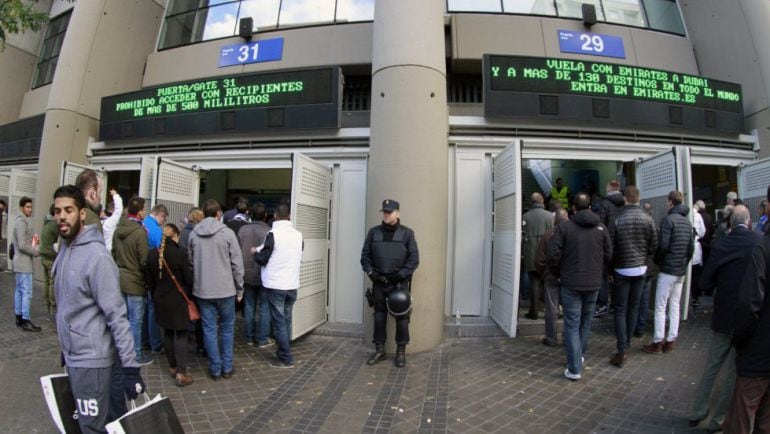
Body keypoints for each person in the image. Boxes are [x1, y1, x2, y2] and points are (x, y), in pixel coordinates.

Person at [53, 185, 145, 433]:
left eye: (69, 210)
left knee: (92, 428)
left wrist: (130, 368)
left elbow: (117, 316)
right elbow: (69, 307)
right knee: (98, 423)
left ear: (82, 214)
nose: (62, 216)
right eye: (58, 210)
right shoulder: (64, 250)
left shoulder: (97, 257)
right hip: (75, 357)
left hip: (92, 362)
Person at [689, 205, 761, 432]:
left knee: (712, 365)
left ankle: (697, 410)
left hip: (723, 316)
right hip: (746, 318)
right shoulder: (758, 241)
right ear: (749, 221)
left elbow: (705, 283)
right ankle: (718, 419)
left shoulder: (722, 244)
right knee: (733, 371)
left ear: (730, 223)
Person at [546, 193, 612, 381]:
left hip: (570, 283)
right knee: (585, 321)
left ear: (573, 208)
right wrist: (599, 271)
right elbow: (609, 254)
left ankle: (574, 367)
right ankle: (579, 356)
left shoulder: (565, 228)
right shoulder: (601, 228)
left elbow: (552, 254)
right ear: (589, 207)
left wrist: (559, 274)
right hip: (593, 283)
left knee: (572, 324)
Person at [722, 187, 770, 433]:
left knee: (742, 418)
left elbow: (750, 303)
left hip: (759, 353)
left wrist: (740, 339)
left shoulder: (763, 246)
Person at [189, 199, 244, 380]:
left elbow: (191, 262)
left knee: (209, 329)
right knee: (227, 328)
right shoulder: (227, 234)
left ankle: (215, 368)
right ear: (219, 213)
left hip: (203, 290)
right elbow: (237, 264)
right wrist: (240, 288)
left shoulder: (194, 234)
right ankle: (227, 367)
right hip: (226, 290)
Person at [360, 199, 419, 368]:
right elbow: (365, 257)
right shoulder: (373, 233)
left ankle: (401, 353)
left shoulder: (407, 234)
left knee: (402, 318)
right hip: (379, 282)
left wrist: (400, 275)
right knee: (379, 317)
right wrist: (373, 274)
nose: (387, 215)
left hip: (398, 284)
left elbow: (414, 260)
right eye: (385, 212)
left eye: (390, 212)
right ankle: (380, 350)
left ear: (398, 213)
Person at [608, 186, 657, 367]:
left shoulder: (617, 218)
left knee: (620, 308)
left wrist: (610, 268)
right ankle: (627, 343)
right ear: (638, 198)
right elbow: (654, 245)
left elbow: (611, 247)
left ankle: (622, 349)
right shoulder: (648, 218)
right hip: (641, 268)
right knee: (634, 307)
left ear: (625, 199)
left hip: (621, 268)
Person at [643, 191, 694, 355]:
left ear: (671, 202)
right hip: (680, 269)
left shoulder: (668, 221)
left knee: (660, 306)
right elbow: (690, 248)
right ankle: (671, 341)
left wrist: (659, 261)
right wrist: (684, 263)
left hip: (668, 269)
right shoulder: (687, 222)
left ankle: (658, 341)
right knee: (675, 305)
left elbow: (663, 245)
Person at [255, 203, 304, 368]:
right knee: (287, 319)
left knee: (279, 322)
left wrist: (255, 253)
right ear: (289, 216)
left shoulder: (272, 234)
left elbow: (263, 258)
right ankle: (285, 349)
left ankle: (285, 357)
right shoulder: (298, 235)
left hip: (277, 284)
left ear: (275, 215)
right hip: (292, 284)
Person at [146, 224, 195, 387]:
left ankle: (173, 367)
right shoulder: (179, 254)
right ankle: (181, 372)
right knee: (181, 334)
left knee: (167, 333)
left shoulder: (152, 255)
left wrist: (155, 295)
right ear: (175, 236)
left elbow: (150, 281)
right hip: (178, 299)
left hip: (161, 299)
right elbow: (188, 279)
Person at [113, 196, 152, 366]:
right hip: (135, 281)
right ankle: (135, 354)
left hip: (120, 277)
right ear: (141, 211)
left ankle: (122, 351)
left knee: (123, 319)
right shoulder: (139, 232)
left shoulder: (118, 229)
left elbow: (113, 253)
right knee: (136, 321)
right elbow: (144, 260)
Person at [238, 203, 273, 347]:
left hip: (246, 272)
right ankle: (263, 338)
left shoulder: (242, 230)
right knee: (264, 306)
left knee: (249, 305)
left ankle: (249, 337)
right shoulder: (269, 231)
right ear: (265, 216)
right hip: (264, 272)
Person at [536, 208, 567, 346]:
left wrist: (543, 273)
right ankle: (567, 337)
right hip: (568, 277)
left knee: (551, 308)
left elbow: (540, 259)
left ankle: (551, 337)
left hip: (550, 276)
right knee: (569, 309)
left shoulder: (548, 234)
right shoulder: (572, 233)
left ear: (555, 220)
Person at [595, 180, 626, 317]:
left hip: (608, 245)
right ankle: (615, 304)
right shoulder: (624, 204)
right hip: (622, 245)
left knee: (603, 276)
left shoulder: (605, 204)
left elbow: (601, 226)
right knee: (617, 276)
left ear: (608, 189)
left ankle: (602, 305)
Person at [521, 192, 553, 320]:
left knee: (534, 283)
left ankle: (533, 312)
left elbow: (522, 234)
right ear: (541, 200)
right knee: (549, 284)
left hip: (531, 254)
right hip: (547, 254)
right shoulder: (550, 216)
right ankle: (550, 312)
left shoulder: (525, 217)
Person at [12, 196, 41, 331]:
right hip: (23, 263)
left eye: (31, 207)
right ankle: (25, 320)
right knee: (27, 292)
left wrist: (33, 240)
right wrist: (35, 251)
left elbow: (23, 242)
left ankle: (19, 318)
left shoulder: (22, 221)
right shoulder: (21, 222)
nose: (30, 209)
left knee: (19, 291)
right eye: (28, 207)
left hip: (20, 262)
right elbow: (22, 245)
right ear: (22, 207)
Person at [143, 204, 168, 356]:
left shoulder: (142, 223)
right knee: (152, 308)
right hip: (152, 271)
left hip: (140, 272)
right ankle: (155, 343)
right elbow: (161, 251)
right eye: (163, 219)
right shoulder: (156, 230)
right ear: (161, 215)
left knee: (144, 309)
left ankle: (144, 340)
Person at [39, 203, 59, 315]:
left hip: (43, 255)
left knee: (46, 281)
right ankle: (53, 306)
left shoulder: (46, 222)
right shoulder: (54, 225)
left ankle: (46, 303)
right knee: (52, 283)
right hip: (51, 257)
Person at [690, 201, 708, 308]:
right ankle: (695, 298)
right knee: (696, 275)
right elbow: (702, 232)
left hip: (685, 248)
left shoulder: (684, 214)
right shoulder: (698, 216)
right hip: (696, 248)